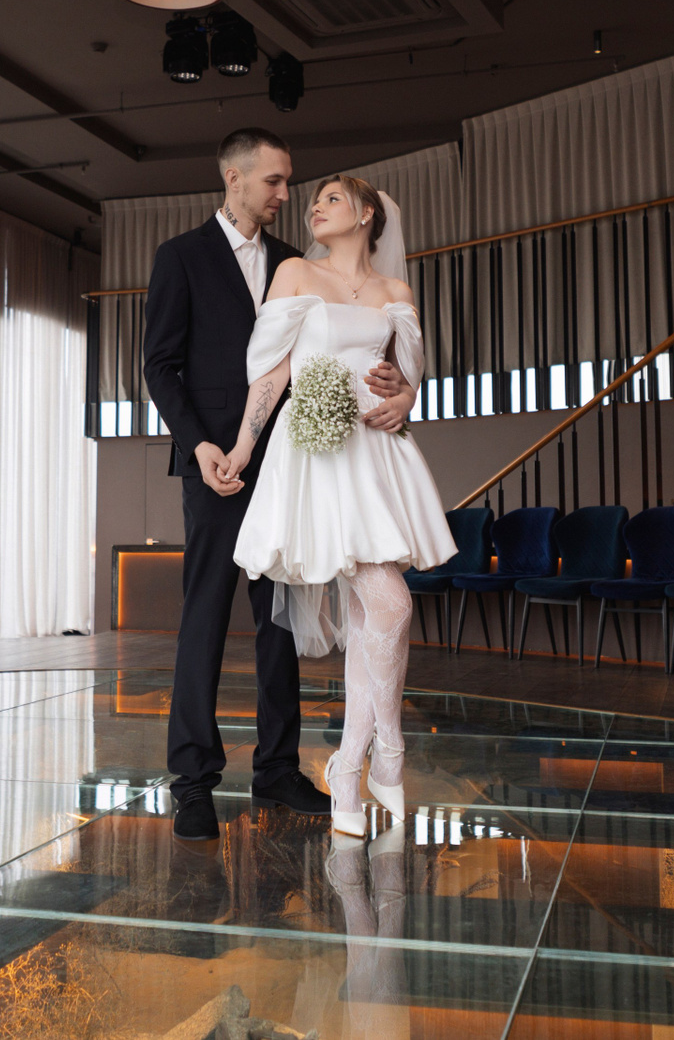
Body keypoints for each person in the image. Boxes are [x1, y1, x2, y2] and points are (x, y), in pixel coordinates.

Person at [143, 130, 416, 842]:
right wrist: (202, 445)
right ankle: (192, 781)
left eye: (291, 181)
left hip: (298, 458)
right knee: (205, 613)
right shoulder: (180, 256)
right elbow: (160, 366)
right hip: (218, 463)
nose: (286, 194)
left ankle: (278, 767)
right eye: (274, 180)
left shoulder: (299, 262)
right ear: (233, 178)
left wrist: (395, 389)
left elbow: (329, 358)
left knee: (282, 621)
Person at [222, 174, 455, 837]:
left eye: (330, 198)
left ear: (367, 212)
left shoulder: (395, 293)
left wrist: (404, 397)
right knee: (392, 605)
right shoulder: (296, 272)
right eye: (314, 200)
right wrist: (243, 446)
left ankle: (349, 771)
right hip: (318, 454)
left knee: (370, 615)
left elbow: (406, 380)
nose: (314, 207)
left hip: (375, 455)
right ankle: (388, 750)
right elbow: (272, 370)